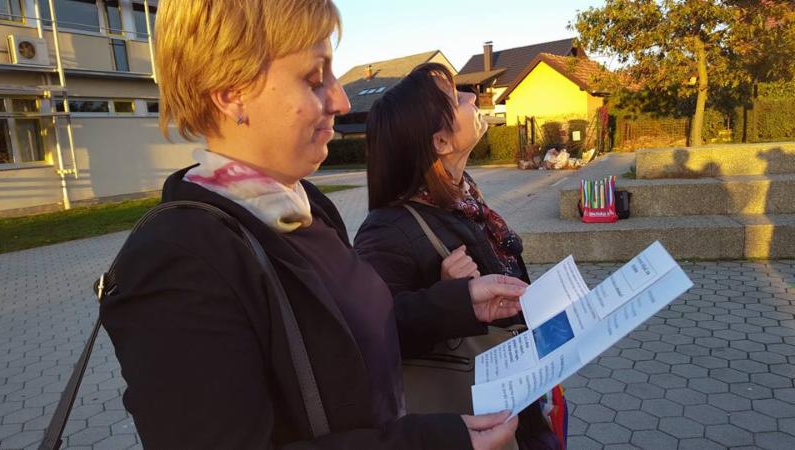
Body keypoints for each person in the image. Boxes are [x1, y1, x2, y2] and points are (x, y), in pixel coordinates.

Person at [100, 1, 528, 448]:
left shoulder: (307, 207)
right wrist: (431, 442)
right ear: (230, 92)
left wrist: (455, 304)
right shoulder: (178, 260)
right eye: (312, 78)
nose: (341, 100)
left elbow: (346, 340)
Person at [354, 63, 565, 449]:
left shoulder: (464, 200)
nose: (472, 98)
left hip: (521, 401)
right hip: (473, 421)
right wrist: (449, 295)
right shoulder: (387, 230)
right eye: (456, 98)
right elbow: (368, 337)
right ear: (440, 142)